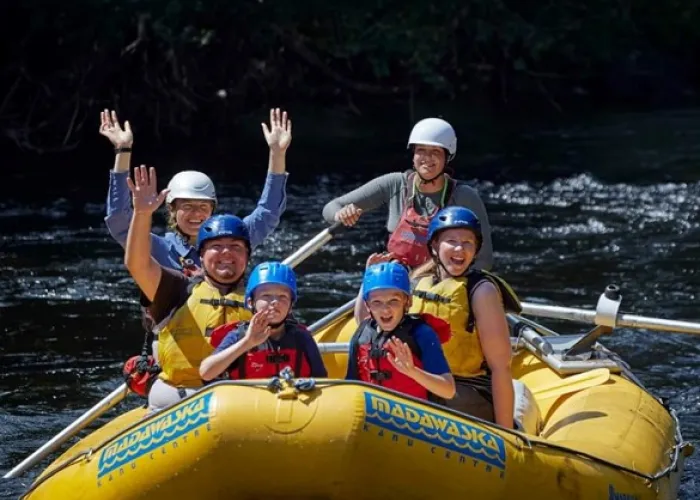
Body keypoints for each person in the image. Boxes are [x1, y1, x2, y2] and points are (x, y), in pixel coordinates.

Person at [124, 165, 253, 413]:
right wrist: (141, 213)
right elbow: (137, 264)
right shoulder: (177, 288)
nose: (226, 253)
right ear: (201, 255)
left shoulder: (259, 297)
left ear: (247, 256)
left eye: (235, 247)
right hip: (182, 401)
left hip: (241, 403)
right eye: (217, 247)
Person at [101, 107, 291, 273]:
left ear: (212, 210)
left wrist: (277, 154)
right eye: (188, 206)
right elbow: (119, 221)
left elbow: (268, 211)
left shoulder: (233, 238)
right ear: (172, 210)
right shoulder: (158, 248)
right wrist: (123, 151)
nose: (196, 213)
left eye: (203, 206)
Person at [322, 117, 493, 270]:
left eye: (435, 152)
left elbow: (483, 261)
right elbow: (331, 207)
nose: (427, 158)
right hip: (395, 287)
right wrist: (340, 214)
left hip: (441, 289)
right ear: (413, 155)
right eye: (421, 151)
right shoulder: (395, 183)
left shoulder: (465, 196)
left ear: (447, 157)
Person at [409, 206, 521, 428]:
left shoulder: (481, 291)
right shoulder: (419, 283)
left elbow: (500, 367)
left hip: (467, 391)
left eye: (467, 242)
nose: (460, 248)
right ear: (434, 245)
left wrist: (506, 432)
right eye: (451, 241)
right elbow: (370, 325)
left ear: (476, 249)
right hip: (424, 381)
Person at [347, 261, 456, 401]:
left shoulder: (421, 334)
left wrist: (413, 372)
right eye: (377, 302)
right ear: (367, 306)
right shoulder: (362, 336)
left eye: (394, 301)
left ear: (408, 302)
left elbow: (449, 390)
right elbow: (351, 384)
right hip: (375, 417)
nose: (385, 309)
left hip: (416, 418)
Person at [200, 262, 327, 381]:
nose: (274, 302)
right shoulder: (238, 336)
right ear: (250, 303)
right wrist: (247, 342)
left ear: (290, 307)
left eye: (282, 297)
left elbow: (321, 381)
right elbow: (206, 373)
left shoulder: (301, 338)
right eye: (266, 296)